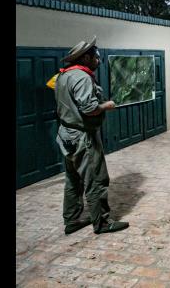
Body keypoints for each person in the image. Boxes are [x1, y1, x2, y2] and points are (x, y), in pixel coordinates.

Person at [54, 36, 128, 235]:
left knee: (73, 179)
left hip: (66, 134)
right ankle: (102, 223)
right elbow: (89, 108)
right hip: (82, 137)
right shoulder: (81, 77)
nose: (98, 60)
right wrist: (107, 105)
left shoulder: (63, 76)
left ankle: (71, 220)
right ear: (85, 58)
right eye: (95, 56)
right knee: (96, 179)